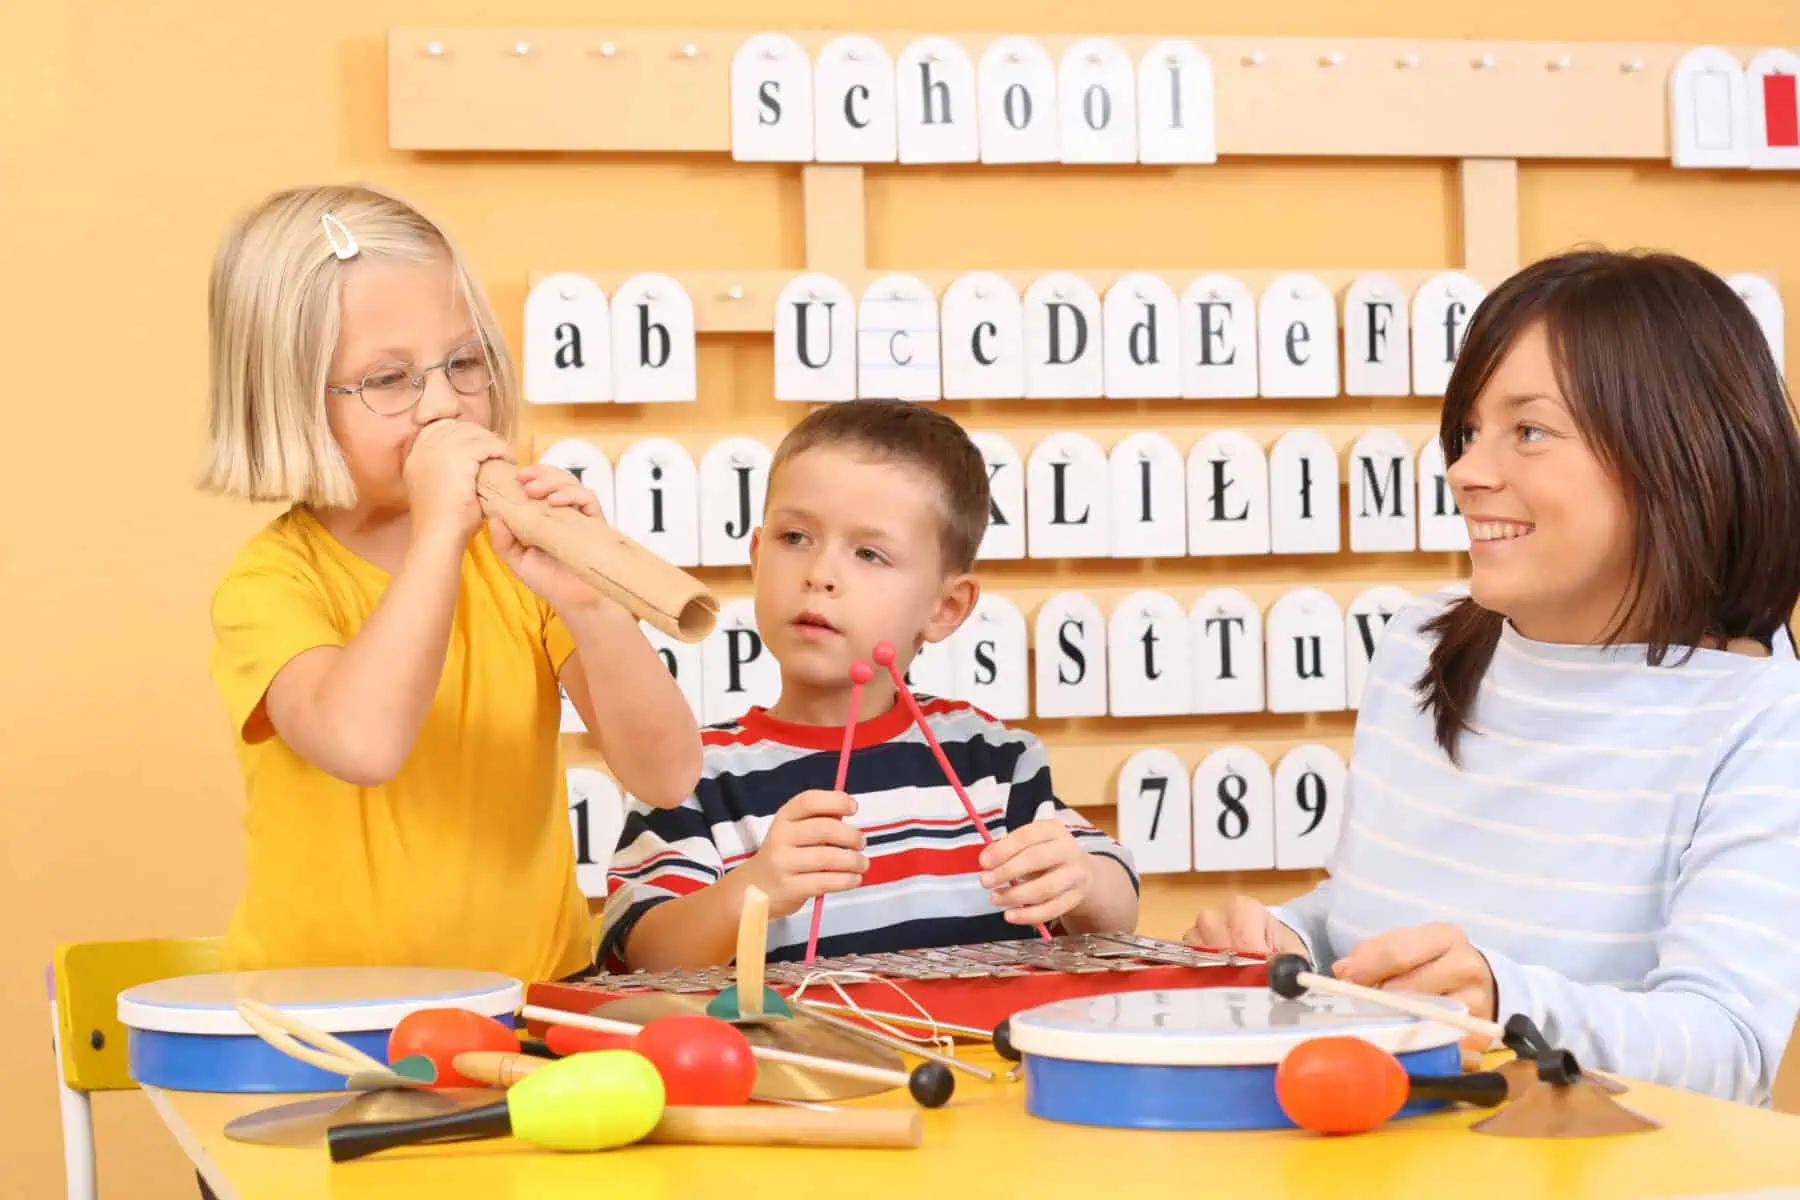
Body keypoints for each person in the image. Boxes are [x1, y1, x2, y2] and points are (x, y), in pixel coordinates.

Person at [1184, 249, 1800, 1106]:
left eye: (1531, 431)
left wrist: (1504, 1004)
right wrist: (1292, 941)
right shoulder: (1419, 647)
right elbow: (1370, 913)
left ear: (1679, 454)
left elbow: (1726, 1050)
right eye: (1469, 431)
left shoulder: (1763, 717)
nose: (1468, 471)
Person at [201, 183, 702, 986]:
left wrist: (593, 604)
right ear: (291, 401)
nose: (444, 403)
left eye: (463, 362)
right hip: (328, 1022)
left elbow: (666, 773)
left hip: (537, 1000)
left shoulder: (515, 561)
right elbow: (363, 743)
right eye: (388, 380)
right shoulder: (270, 583)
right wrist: (440, 533)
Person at [598, 399, 1140, 969]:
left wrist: (1082, 881)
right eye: (795, 537)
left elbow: (1115, 914)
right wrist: (750, 893)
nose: (820, 574)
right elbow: (643, 957)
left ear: (945, 607)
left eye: (869, 553)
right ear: (757, 557)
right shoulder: (691, 772)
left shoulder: (994, 762)